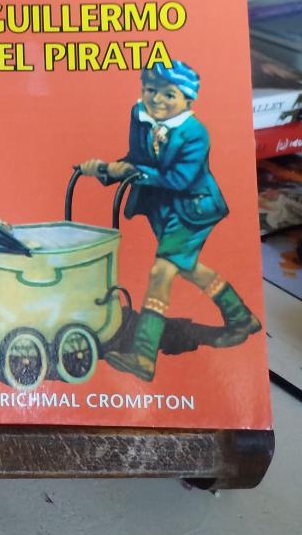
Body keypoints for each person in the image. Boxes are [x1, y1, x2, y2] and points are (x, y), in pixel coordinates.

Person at [80, 60, 261, 381]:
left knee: (161, 272)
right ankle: (241, 318)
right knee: (188, 268)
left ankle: (143, 355)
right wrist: (106, 169)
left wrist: (133, 171)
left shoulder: (195, 134)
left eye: (169, 94)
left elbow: (179, 179)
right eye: (151, 90)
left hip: (194, 209)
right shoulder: (139, 116)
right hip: (163, 210)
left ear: (188, 99)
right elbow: (137, 159)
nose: (157, 99)